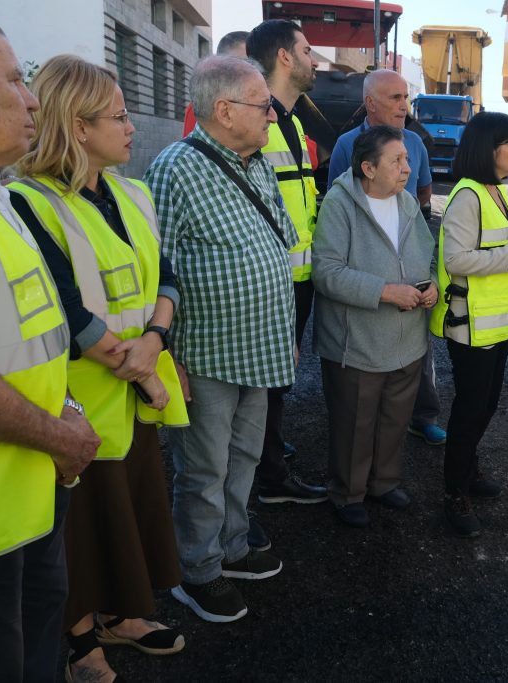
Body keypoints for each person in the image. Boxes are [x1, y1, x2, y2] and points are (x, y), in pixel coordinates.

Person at [9, 55, 189, 682]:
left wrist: (157, 339)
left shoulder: (132, 191)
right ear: (78, 128)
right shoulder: (28, 202)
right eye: (118, 115)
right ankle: (82, 643)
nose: (132, 126)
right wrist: (143, 369)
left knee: (130, 511)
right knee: (80, 530)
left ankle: (123, 615)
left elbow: (165, 274)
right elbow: (66, 307)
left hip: (134, 389)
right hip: (81, 399)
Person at [0, 9, 99, 680]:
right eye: (14, 79)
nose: (33, 97)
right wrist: (58, 434)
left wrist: (60, 407)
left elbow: (22, 331)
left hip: (28, 496)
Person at [145, 55, 296, 622]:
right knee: (203, 471)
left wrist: (284, 331)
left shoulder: (255, 162)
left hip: (258, 346)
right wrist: (168, 355)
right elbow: (156, 267)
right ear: (225, 110)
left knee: (244, 459)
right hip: (203, 354)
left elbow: (277, 243)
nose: (273, 116)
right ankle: (198, 571)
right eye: (264, 106)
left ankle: (231, 549)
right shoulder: (173, 169)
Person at [313, 125, 437, 528]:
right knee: (355, 421)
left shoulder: (406, 203)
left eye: (407, 159)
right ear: (368, 167)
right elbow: (326, 272)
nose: (408, 167)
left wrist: (432, 284)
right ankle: (347, 492)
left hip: (406, 337)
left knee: (395, 417)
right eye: (397, 161)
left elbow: (427, 255)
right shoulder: (340, 203)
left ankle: (384, 482)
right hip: (357, 341)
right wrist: (386, 291)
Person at [430, 111, 508, 537]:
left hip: (496, 325)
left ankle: (469, 472)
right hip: (471, 326)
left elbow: (499, 247)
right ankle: (454, 493)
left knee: (486, 404)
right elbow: (455, 260)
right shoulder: (468, 196)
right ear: (488, 149)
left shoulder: (494, 191)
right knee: (470, 409)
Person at [326, 69, 447, 447]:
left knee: (416, 362)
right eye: (395, 98)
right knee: (362, 390)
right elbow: (338, 198)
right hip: (367, 286)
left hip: (407, 260)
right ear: (370, 103)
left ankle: (421, 418)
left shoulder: (415, 141)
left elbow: (424, 189)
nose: (404, 105)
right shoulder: (348, 144)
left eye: (405, 97)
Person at [246, 19, 328, 506]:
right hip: (272, 279)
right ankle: (267, 479)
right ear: (284, 57)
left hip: (299, 277)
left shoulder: (293, 121)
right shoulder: (262, 122)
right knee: (265, 380)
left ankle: (269, 462)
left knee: (277, 380)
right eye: (307, 49)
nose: (313, 59)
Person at [181, 30, 248, 137]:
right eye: (244, 63)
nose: (252, 70)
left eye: (255, 62)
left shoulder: (267, 104)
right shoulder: (201, 107)